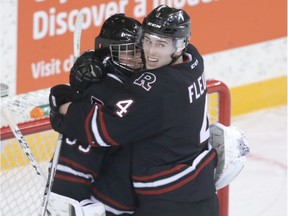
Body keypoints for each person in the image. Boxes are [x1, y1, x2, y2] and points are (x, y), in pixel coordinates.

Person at [50, 5, 219, 215]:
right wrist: (102, 61)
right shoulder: (193, 59)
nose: (150, 52)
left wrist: (64, 105)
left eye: (161, 44)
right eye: (147, 41)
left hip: (169, 202)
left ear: (179, 45)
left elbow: (103, 129)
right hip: (202, 190)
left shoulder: (157, 90)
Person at [48, 14, 143, 216]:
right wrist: (66, 199)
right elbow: (77, 155)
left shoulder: (138, 80)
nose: (136, 57)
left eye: (139, 49)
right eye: (127, 51)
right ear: (110, 53)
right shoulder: (103, 92)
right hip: (113, 200)